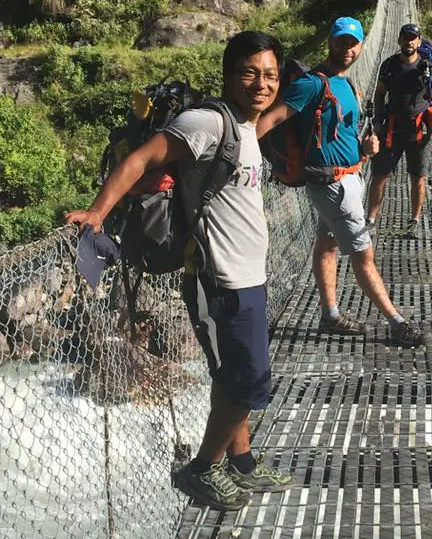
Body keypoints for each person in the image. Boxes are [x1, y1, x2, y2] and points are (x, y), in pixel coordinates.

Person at [65, 31, 293, 512]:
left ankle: (242, 464)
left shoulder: (246, 126)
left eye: (270, 75)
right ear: (229, 74)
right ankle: (201, 470)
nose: (262, 83)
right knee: (249, 380)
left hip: (250, 275)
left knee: (232, 373)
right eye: (250, 72)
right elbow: (143, 159)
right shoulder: (207, 121)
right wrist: (97, 213)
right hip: (219, 277)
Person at [256, 17, 423, 347]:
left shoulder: (347, 86)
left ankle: (330, 315)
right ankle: (396, 322)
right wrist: (240, 154)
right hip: (332, 185)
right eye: (342, 41)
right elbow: (270, 120)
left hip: (351, 177)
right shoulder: (313, 84)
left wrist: (365, 149)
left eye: (353, 43)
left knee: (328, 244)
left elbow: (342, 132)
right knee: (364, 257)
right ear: (330, 41)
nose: (348, 49)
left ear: (361, 46)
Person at [366, 23, 432, 236]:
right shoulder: (388, 65)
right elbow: (379, 94)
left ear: (419, 42)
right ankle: (371, 220)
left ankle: (414, 221)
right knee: (380, 175)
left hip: (419, 130)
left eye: (413, 38)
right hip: (391, 128)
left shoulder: (429, 67)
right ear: (399, 40)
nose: (409, 41)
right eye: (405, 37)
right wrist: (377, 119)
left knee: (418, 177)